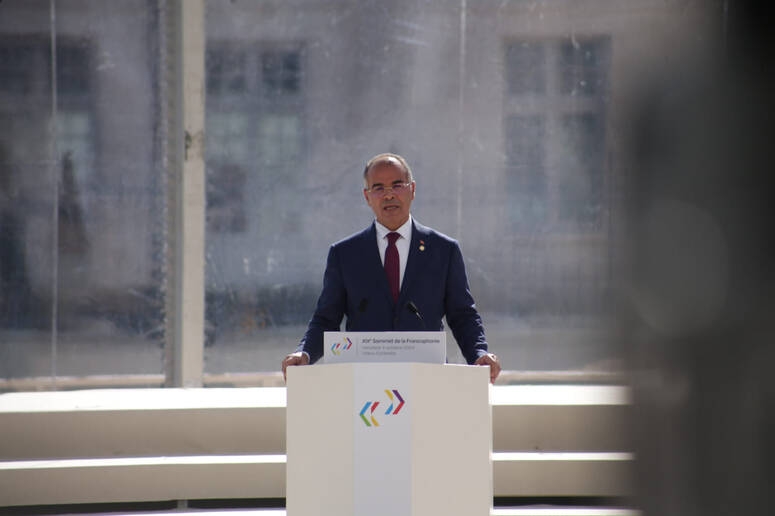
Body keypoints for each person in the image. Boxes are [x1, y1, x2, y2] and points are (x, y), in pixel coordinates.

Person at [282, 152, 501, 383]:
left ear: (412, 189)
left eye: (397, 185)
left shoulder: (443, 250)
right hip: (364, 385)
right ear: (367, 196)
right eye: (378, 188)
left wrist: (479, 353)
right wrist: (304, 353)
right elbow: (326, 319)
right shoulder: (344, 254)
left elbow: (463, 315)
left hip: (428, 381)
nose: (388, 195)